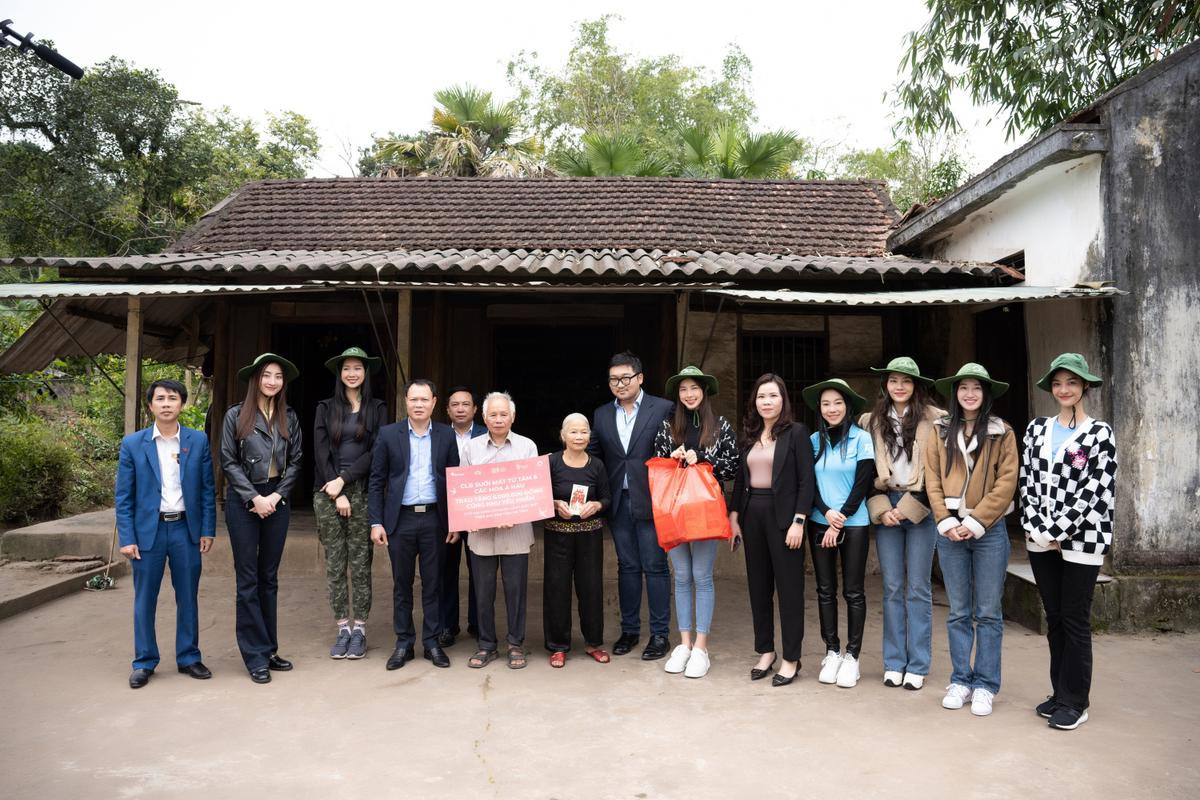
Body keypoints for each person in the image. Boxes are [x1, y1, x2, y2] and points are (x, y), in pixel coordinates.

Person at [1021, 353, 1117, 731]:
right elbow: (1027, 482)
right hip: (1040, 536)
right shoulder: (1036, 429)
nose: (1065, 389)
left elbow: (1096, 491)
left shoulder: (1099, 434)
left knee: (1076, 619)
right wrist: (1040, 528)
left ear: (1085, 388)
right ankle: (1059, 693)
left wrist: (1061, 531)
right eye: (1059, 383)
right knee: (1055, 618)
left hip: (1082, 540)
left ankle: (1076, 701)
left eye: (1072, 383)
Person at [924, 363, 1018, 717]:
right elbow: (932, 477)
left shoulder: (1001, 432)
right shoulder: (940, 430)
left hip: (988, 530)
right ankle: (961, 679)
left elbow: (1007, 482)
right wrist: (945, 520)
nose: (969, 394)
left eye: (976, 388)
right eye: (963, 388)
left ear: (986, 394)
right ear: (955, 393)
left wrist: (976, 521)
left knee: (989, 612)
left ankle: (985, 685)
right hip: (949, 530)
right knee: (958, 611)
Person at [116, 379, 216, 689]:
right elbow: (124, 496)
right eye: (160, 398)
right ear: (150, 406)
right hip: (149, 532)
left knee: (187, 596)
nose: (166, 404)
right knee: (145, 598)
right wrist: (127, 537)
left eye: (173, 398)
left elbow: (207, 490)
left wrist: (207, 530)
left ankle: (189, 657)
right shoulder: (133, 444)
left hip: (186, 529)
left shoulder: (197, 441)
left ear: (182, 404)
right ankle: (144, 661)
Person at [858, 357, 944, 691]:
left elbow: (938, 470)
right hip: (886, 506)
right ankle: (894, 662)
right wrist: (882, 509)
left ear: (916, 385)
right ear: (885, 384)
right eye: (894, 380)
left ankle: (918, 664)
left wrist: (909, 508)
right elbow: (864, 470)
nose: (899, 386)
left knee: (918, 588)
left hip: (920, 507)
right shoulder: (871, 421)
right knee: (892, 587)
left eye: (906, 381)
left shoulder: (936, 420)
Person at [219, 353, 303, 684]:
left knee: (269, 577)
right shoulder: (235, 416)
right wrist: (253, 497)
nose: (272, 381)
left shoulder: (289, 417)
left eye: (278, 376)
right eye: (267, 375)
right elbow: (228, 461)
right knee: (248, 580)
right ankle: (253, 655)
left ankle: (269, 649)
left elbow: (296, 461)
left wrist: (276, 496)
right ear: (256, 378)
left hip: (276, 499)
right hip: (245, 500)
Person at [652, 366, 738, 679]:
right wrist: (673, 457)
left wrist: (702, 461)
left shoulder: (720, 426)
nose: (689, 394)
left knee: (702, 576)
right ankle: (684, 643)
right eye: (683, 389)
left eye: (694, 388)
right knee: (682, 576)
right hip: (674, 510)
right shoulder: (667, 425)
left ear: (704, 391)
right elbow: (656, 463)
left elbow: (732, 466)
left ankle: (701, 647)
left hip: (704, 510)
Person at [588, 351, 674, 660]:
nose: (620, 384)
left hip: (652, 498)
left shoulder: (663, 408)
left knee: (655, 566)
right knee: (627, 566)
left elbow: (672, 448)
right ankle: (630, 631)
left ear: (640, 378)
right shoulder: (600, 415)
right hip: (618, 500)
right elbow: (593, 458)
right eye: (614, 379)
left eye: (626, 378)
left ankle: (660, 634)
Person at [368, 379, 459, 671]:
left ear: (434, 402)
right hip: (401, 519)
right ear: (405, 401)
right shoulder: (388, 434)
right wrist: (376, 521)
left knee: (433, 585)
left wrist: (455, 520)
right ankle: (404, 643)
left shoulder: (446, 435)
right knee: (401, 585)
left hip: (435, 518)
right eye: (413, 399)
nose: (418, 405)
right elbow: (377, 480)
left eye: (424, 399)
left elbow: (454, 479)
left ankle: (431, 642)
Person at [730, 373, 814, 687]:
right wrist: (734, 517)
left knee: (790, 590)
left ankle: (792, 658)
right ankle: (765, 650)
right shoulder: (750, 434)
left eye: (773, 396)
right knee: (758, 587)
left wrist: (799, 521)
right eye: (761, 396)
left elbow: (806, 481)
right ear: (755, 401)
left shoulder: (796, 433)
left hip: (785, 519)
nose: (767, 402)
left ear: (783, 400)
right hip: (753, 516)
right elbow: (741, 480)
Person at [312, 347, 387, 660]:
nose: (352, 373)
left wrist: (345, 481)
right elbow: (320, 451)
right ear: (340, 373)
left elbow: (376, 451)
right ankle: (342, 626)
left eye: (358, 367)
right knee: (334, 563)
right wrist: (336, 488)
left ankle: (360, 629)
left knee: (360, 563)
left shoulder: (378, 408)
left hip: (363, 491)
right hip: (328, 491)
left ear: (365, 373)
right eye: (347, 368)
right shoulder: (325, 407)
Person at [802, 379, 876, 689]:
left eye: (838, 403)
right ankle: (831, 650)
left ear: (848, 407)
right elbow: (807, 484)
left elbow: (864, 482)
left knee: (854, 591)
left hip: (854, 522)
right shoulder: (813, 440)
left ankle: (852, 656)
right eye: (826, 404)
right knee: (824, 589)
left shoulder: (862, 439)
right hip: (820, 520)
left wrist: (840, 518)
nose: (832, 409)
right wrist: (826, 514)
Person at [461, 392, 539, 669]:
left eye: (503, 414)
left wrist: (514, 513)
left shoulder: (527, 446)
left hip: (515, 531)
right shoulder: (471, 448)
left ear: (512, 417)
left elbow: (534, 491)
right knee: (482, 591)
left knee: (515, 590)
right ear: (483, 417)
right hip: (481, 533)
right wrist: (477, 516)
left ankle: (516, 643)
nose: (498, 419)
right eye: (492, 414)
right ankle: (486, 645)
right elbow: (464, 489)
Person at [544, 413, 611, 667]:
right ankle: (558, 646)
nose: (579, 436)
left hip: (589, 536)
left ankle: (593, 642)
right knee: (557, 589)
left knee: (591, 589)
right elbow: (537, 497)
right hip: (557, 536)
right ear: (563, 435)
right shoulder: (551, 463)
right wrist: (553, 503)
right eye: (573, 431)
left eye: (584, 431)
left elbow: (607, 497)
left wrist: (596, 505)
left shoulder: (597, 465)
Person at [437, 386, 486, 647]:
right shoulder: (439, 434)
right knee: (447, 570)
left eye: (465, 404)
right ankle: (448, 625)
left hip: (478, 511)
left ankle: (478, 624)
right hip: (446, 512)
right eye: (454, 404)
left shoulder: (486, 434)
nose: (460, 409)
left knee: (480, 569)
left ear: (475, 409)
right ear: (447, 409)